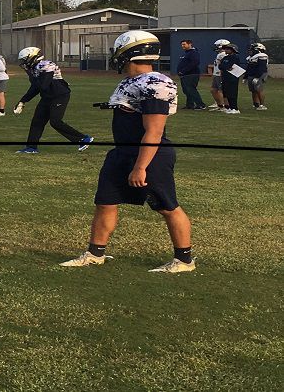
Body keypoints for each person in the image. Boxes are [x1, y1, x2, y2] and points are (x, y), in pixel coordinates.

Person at [60, 30, 194, 273]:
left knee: (167, 206)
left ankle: (184, 260)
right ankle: (95, 254)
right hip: (121, 153)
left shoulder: (156, 82)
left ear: (129, 52)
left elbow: (153, 130)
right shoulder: (130, 82)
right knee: (105, 202)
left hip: (148, 155)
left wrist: (140, 166)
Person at [12, 47, 94, 154]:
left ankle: (83, 139)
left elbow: (44, 85)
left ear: (32, 58)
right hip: (47, 96)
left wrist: (31, 76)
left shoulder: (46, 65)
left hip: (59, 95)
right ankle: (31, 147)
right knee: (37, 121)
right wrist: (23, 101)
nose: (23, 63)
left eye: (24, 60)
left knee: (55, 121)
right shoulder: (34, 68)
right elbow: (35, 88)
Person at [176, 39, 206, 110]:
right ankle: (190, 105)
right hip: (184, 75)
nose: (182, 46)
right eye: (182, 44)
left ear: (189, 44)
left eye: (184, 44)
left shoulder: (193, 52)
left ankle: (201, 105)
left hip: (191, 74)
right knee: (186, 90)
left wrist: (184, 71)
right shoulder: (186, 53)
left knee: (191, 89)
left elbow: (195, 63)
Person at [218, 42, 244, 114]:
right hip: (225, 77)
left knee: (232, 93)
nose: (225, 50)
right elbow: (220, 66)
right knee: (226, 93)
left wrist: (224, 66)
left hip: (232, 77)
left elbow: (229, 66)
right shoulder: (225, 57)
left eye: (227, 49)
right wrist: (224, 67)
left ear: (233, 50)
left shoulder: (235, 57)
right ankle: (230, 107)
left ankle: (235, 108)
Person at [245, 42, 269, 110]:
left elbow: (262, 68)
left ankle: (262, 105)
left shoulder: (262, 55)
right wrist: (245, 76)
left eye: (252, 50)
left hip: (260, 74)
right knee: (253, 90)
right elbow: (249, 67)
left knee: (259, 90)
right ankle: (256, 104)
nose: (250, 51)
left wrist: (258, 77)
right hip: (251, 74)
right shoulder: (251, 57)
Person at [208, 39, 230, 110]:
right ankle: (219, 105)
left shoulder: (222, 54)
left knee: (221, 91)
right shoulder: (220, 54)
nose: (216, 47)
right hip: (217, 74)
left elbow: (224, 65)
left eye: (217, 46)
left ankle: (223, 106)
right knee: (213, 90)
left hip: (220, 74)